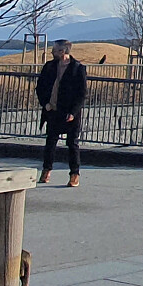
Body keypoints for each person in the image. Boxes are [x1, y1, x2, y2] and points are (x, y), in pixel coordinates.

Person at [36, 39, 87, 187]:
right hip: (52, 110)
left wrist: (73, 112)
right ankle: (46, 170)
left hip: (69, 113)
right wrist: (45, 103)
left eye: (55, 50)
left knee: (72, 143)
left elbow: (82, 93)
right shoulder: (49, 66)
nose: (52, 52)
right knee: (50, 142)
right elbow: (40, 87)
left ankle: (74, 174)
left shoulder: (77, 68)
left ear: (62, 51)